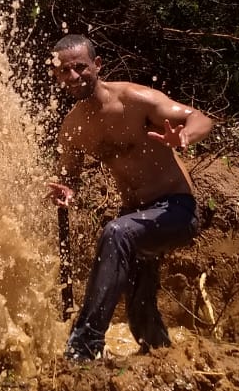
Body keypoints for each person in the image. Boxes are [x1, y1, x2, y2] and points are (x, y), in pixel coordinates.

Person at [47, 33, 214, 360]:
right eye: (65, 70)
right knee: (140, 312)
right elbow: (69, 176)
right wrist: (66, 189)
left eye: (80, 67)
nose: (74, 76)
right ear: (57, 76)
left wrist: (184, 136)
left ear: (97, 65)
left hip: (176, 209)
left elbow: (201, 118)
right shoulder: (73, 127)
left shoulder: (136, 101)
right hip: (136, 217)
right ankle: (164, 358)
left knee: (116, 233)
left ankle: (83, 348)